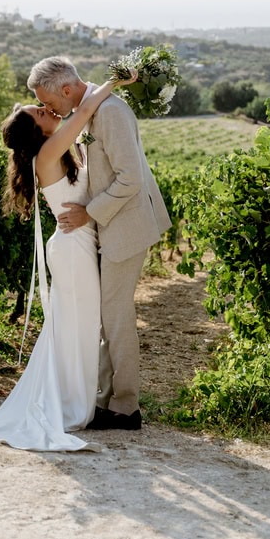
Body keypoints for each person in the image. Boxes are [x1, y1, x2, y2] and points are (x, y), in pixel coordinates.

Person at [0, 70, 137, 452]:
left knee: (77, 325)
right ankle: (71, 406)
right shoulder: (48, 153)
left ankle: (76, 399)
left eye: (44, 107)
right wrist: (116, 81)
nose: (48, 111)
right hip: (72, 247)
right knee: (77, 326)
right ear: (39, 131)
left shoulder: (54, 150)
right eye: (41, 113)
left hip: (74, 243)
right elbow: (84, 111)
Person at [27, 55, 171, 431]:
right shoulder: (90, 112)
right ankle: (107, 401)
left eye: (49, 101)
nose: (48, 108)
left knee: (116, 316)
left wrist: (88, 213)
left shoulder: (109, 113)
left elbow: (129, 180)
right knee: (109, 317)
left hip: (126, 227)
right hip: (110, 227)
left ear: (67, 89)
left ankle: (126, 408)